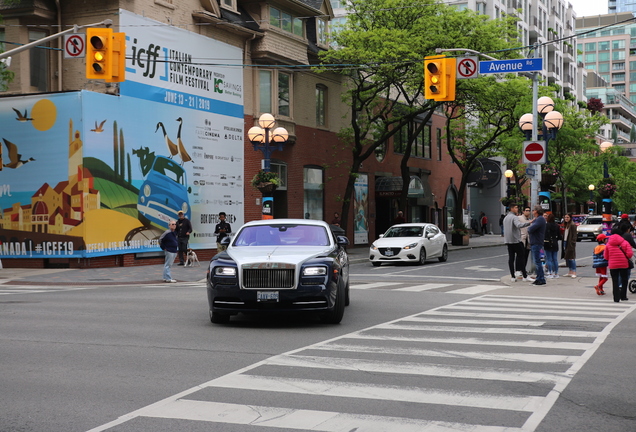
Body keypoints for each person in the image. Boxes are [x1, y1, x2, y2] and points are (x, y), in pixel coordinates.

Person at [503, 204, 532, 283]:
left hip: (508, 241)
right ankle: (525, 276)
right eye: (516, 207)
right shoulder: (514, 217)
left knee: (511, 258)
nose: (517, 209)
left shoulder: (506, 218)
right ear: (512, 208)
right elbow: (519, 225)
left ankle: (513, 276)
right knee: (522, 257)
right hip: (516, 240)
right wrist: (529, 222)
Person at [604, 227, 633, 302]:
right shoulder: (625, 242)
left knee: (615, 281)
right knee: (624, 280)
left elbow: (606, 256)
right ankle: (623, 296)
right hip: (624, 264)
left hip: (613, 265)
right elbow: (630, 254)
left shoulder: (608, 244)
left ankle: (616, 298)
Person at [527, 205, 547, 285]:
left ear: (536, 211)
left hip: (537, 242)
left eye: (533, 210)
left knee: (537, 261)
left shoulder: (540, 219)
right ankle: (539, 278)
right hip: (536, 242)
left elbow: (530, 229)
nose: (532, 211)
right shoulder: (538, 219)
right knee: (537, 261)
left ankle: (541, 278)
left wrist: (531, 225)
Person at [543, 213, 562, 279]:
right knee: (555, 259)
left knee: (549, 259)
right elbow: (559, 236)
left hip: (548, 242)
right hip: (555, 242)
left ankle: (550, 272)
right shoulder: (557, 226)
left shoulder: (546, 225)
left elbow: (544, 234)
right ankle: (556, 273)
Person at [561, 213, 578, 278]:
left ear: (570, 218)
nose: (566, 219)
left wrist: (572, 243)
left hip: (570, 243)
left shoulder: (572, 225)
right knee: (567, 257)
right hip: (565, 242)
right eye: (565, 217)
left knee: (571, 258)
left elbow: (574, 235)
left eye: (567, 217)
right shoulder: (566, 225)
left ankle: (574, 272)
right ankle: (570, 271)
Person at [518, 207, 532, 278]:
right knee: (520, 256)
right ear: (523, 211)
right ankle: (518, 270)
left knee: (526, 256)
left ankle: (523, 269)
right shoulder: (519, 218)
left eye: (529, 211)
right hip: (521, 239)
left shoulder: (529, 219)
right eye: (526, 210)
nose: (528, 212)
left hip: (528, 240)